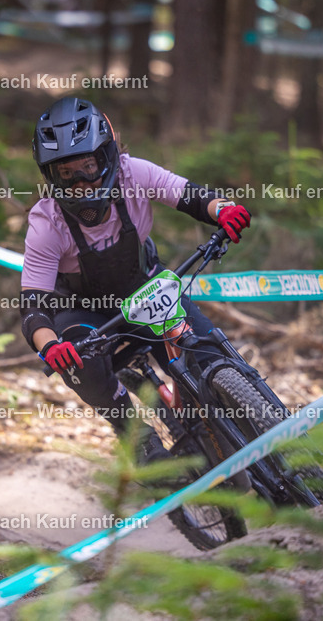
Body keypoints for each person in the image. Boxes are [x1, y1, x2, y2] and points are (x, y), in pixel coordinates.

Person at [19, 97, 251, 461]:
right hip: (86, 314)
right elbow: (33, 310)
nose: (80, 183)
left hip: (146, 290)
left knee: (210, 354)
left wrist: (225, 210)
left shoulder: (134, 175)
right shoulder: (46, 224)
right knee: (80, 366)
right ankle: (134, 433)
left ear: (108, 156)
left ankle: (250, 423)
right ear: (51, 175)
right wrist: (51, 347)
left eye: (88, 166)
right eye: (67, 173)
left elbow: (192, 197)